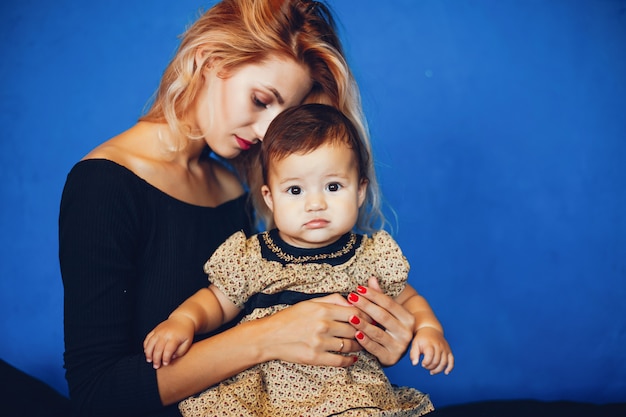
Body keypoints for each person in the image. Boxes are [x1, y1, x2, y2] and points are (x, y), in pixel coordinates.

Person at [59, 1, 427, 417]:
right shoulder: (104, 184)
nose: (266, 131)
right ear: (208, 59)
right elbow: (96, 393)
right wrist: (268, 336)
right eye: (259, 100)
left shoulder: (234, 186)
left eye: (281, 116)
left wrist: (370, 340)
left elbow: (266, 311)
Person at [143, 103, 454, 416]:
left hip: (347, 390)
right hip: (267, 394)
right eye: (295, 190)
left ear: (360, 192)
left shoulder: (369, 256)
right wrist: (183, 320)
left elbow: (408, 298)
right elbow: (215, 300)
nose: (315, 203)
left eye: (333, 186)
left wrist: (429, 329)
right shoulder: (253, 256)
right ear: (270, 197)